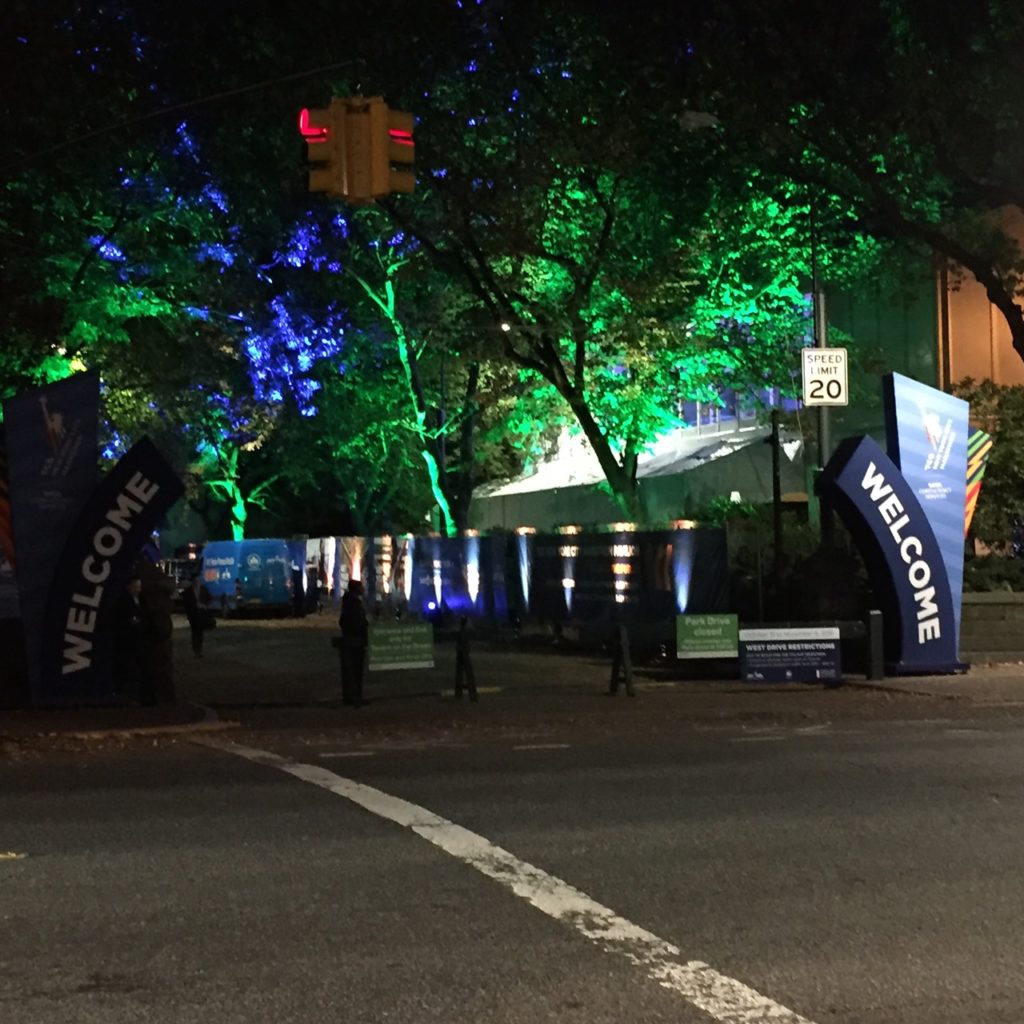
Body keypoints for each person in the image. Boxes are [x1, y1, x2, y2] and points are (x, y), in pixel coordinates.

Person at [112, 574, 146, 700]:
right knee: (126, 665)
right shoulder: (124, 601)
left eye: (139, 587)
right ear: (128, 587)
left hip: (136, 639)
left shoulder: (140, 600)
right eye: (136, 587)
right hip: (126, 640)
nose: (138, 589)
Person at [338, 579, 369, 707]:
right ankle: (354, 698)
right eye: (361, 587)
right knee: (354, 671)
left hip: (353, 640)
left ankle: (354, 697)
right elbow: (356, 621)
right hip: (355, 641)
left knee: (353, 671)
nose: (363, 590)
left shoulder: (349, 603)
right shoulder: (353, 604)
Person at [182, 573, 211, 657]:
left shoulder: (202, 589)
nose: (197, 582)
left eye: (198, 580)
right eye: (196, 580)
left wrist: (204, 605)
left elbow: (209, 597)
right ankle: (196, 650)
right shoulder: (188, 591)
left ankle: (199, 650)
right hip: (193, 614)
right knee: (195, 632)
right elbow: (186, 603)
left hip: (201, 613)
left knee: (200, 632)